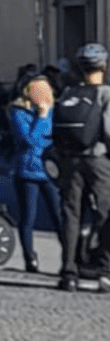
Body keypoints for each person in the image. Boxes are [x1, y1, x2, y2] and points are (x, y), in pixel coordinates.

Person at [50, 42, 110, 292]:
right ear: (103, 67)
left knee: (71, 216)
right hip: (97, 160)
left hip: (70, 160)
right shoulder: (105, 94)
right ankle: (105, 273)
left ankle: (69, 272)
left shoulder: (68, 93)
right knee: (105, 215)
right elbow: (108, 132)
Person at [7, 74, 61, 275]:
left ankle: (69, 257)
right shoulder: (19, 112)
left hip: (50, 170)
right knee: (28, 216)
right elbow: (29, 140)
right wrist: (42, 116)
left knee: (59, 216)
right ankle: (30, 257)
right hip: (28, 170)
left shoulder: (56, 110)